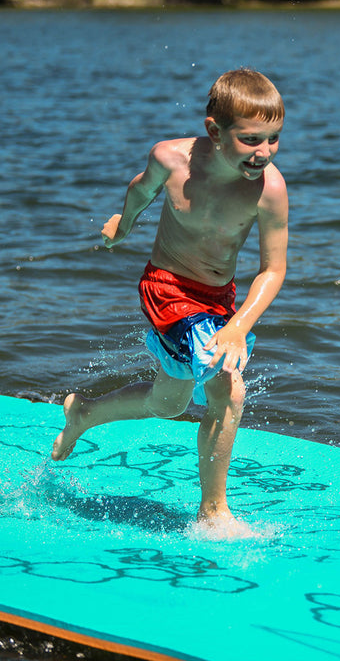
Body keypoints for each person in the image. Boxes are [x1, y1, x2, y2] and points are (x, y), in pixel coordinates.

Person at [51, 68, 288, 539]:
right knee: (229, 387)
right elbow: (141, 189)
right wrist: (123, 226)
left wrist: (239, 324)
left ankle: (84, 413)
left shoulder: (269, 191)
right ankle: (213, 510)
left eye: (274, 139)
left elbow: (273, 269)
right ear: (214, 131)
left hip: (219, 300)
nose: (263, 152)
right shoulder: (171, 159)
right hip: (168, 289)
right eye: (251, 140)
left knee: (169, 402)